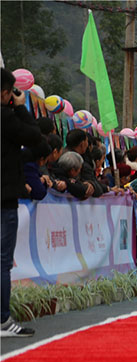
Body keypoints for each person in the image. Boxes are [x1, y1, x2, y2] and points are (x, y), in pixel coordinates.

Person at [1, 68, 41, 336]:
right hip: (4, 198)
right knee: (3, 261)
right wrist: (21, 108)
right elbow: (36, 138)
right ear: (6, 92)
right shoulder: (6, 117)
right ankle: (3, 320)